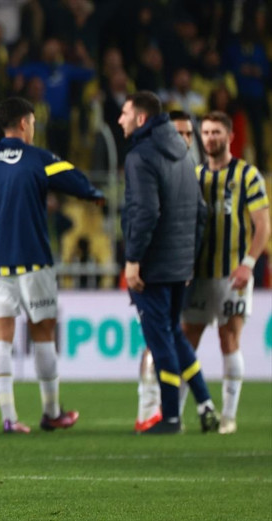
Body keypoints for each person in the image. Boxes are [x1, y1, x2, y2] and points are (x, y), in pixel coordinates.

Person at [0, 97, 103, 434]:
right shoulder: (37, 158)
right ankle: (51, 411)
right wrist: (92, 194)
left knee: (1, 338)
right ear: (26, 123)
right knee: (43, 333)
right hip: (34, 260)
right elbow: (74, 180)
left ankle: (9, 418)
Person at [118, 91, 219, 434]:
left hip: (153, 266)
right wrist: (187, 259)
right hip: (178, 265)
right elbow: (200, 213)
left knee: (160, 340)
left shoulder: (140, 157)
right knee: (174, 334)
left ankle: (172, 417)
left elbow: (145, 213)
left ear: (141, 118)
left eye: (125, 113)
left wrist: (133, 260)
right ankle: (204, 402)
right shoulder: (184, 155)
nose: (119, 119)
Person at [179, 111, 269, 434]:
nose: (210, 138)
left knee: (228, 338)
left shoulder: (247, 175)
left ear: (230, 136)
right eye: (205, 132)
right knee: (186, 341)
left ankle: (228, 416)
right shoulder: (195, 175)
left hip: (233, 274)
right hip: (199, 275)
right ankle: (174, 414)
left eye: (216, 132)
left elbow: (263, 226)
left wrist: (248, 263)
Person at [134, 110, 195, 432]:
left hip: (176, 269)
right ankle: (150, 408)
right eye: (179, 133)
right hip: (152, 268)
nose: (184, 140)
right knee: (160, 340)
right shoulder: (161, 166)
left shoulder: (182, 169)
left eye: (189, 134)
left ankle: (171, 412)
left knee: (168, 338)